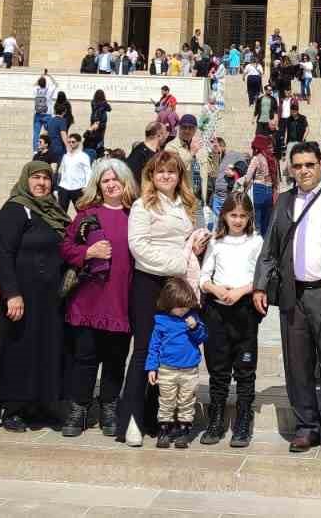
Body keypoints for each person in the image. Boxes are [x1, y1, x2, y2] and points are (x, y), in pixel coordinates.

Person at [252, 141, 321, 463]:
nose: (304, 171)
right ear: (291, 169)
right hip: (293, 294)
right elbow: (270, 248)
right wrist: (260, 286)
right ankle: (307, 426)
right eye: (297, 166)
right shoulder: (284, 201)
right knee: (297, 364)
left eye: (309, 164)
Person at [117, 149, 207, 447]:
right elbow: (138, 246)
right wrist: (179, 262)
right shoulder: (143, 205)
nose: (166, 176)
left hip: (176, 285)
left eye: (171, 171)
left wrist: (196, 246)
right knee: (145, 348)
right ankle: (131, 419)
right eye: (160, 171)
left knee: (171, 349)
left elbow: (190, 239)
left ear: (180, 175)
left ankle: (158, 418)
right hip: (150, 282)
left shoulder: (189, 204)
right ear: (151, 175)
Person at [61, 158, 137, 437]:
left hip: (122, 298)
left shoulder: (136, 214)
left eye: (116, 179)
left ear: (125, 182)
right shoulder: (87, 214)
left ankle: (109, 407)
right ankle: (79, 408)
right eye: (106, 180)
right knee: (85, 357)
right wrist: (88, 253)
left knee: (116, 359)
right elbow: (66, 247)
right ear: (98, 185)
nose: (111, 184)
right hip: (89, 299)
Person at [0, 161, 71, 431]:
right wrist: (12, 293)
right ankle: (14, 408)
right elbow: (3, 253)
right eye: (36, 177)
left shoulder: (54, 210)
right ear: (26, 180)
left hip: (51, 297)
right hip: (23, 295)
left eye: (46, 178)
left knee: (48, 347)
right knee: (20, 347)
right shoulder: (15, 209)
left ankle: (44, 404)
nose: (41, 183)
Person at [197, 191, 265, 446]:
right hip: (217, 310)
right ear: (224, 215)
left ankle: (243, 420)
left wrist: (241, 291)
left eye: (242, 216)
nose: (237, 220)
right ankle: (216, 420)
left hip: (244, 309)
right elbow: (204, 276)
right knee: (218, 368)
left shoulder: (256, 241)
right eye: (233, 215)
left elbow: (261, 277)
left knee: (245, 369)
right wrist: (215, 289)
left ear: (249, 217)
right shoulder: (216, 242)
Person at [145, 277, 208, 448]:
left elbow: (202, 338)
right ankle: (164, 430)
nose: (183, 310)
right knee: (166, 401)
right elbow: (154, 346)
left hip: (189, 370)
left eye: (186, 306)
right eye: (179, 307)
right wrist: (152, 367)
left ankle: (183, 431)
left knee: (186, 401)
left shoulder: (193, 318)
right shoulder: (161, 320)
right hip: (166, 369)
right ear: (169, 303)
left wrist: (195, 327)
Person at [244, 135, 277, 237]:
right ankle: (265, 243)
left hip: (258, 190)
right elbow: (277, 180)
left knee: (256, 222)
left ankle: (257, 243)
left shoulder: (257, 158)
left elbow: (248, 177)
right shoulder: (273, 160)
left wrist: (245, 186)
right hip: (269, 191)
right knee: (266, 222)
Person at [57, 133, 92, 210]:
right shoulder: (65, 156)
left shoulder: (84, 156)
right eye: (69, 142)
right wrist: (59, 185)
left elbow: (88, 172)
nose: (71, 144)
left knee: (81, 211)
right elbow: (62, 171)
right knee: (61, 212)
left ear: (78, 142)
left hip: (78, 187)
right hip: (64, 187)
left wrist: (86, 186)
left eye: (73, 142)